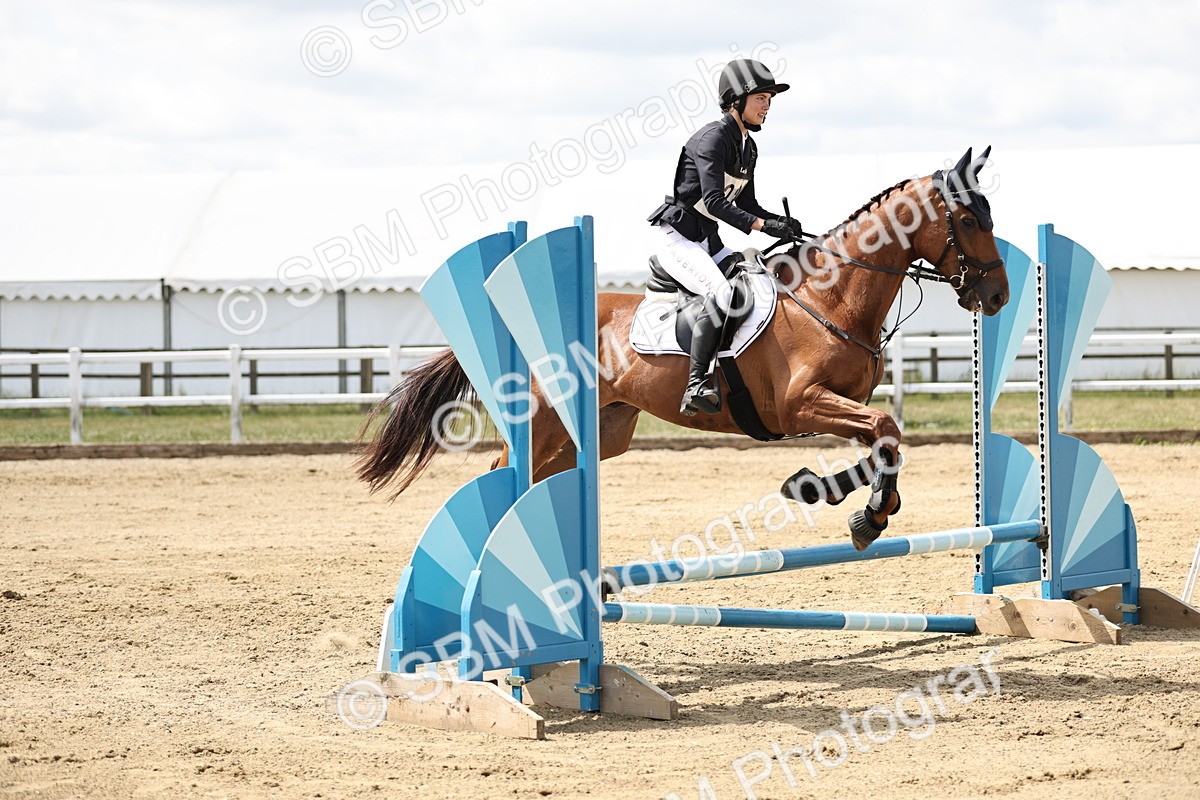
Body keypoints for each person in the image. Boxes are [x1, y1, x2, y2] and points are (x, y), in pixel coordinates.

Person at [647, 57, 803, 416]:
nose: (767, 106)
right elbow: (715, 202)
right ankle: (696, 384)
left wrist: (782, 222)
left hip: (707, 242)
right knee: (721, 293)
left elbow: (747, 203)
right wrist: (762, 227)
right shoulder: (713, 138)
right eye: (761, 98)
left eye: (770, 99)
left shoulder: (748, 147)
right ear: (737, 100)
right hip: (678, 238)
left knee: (757, 281)